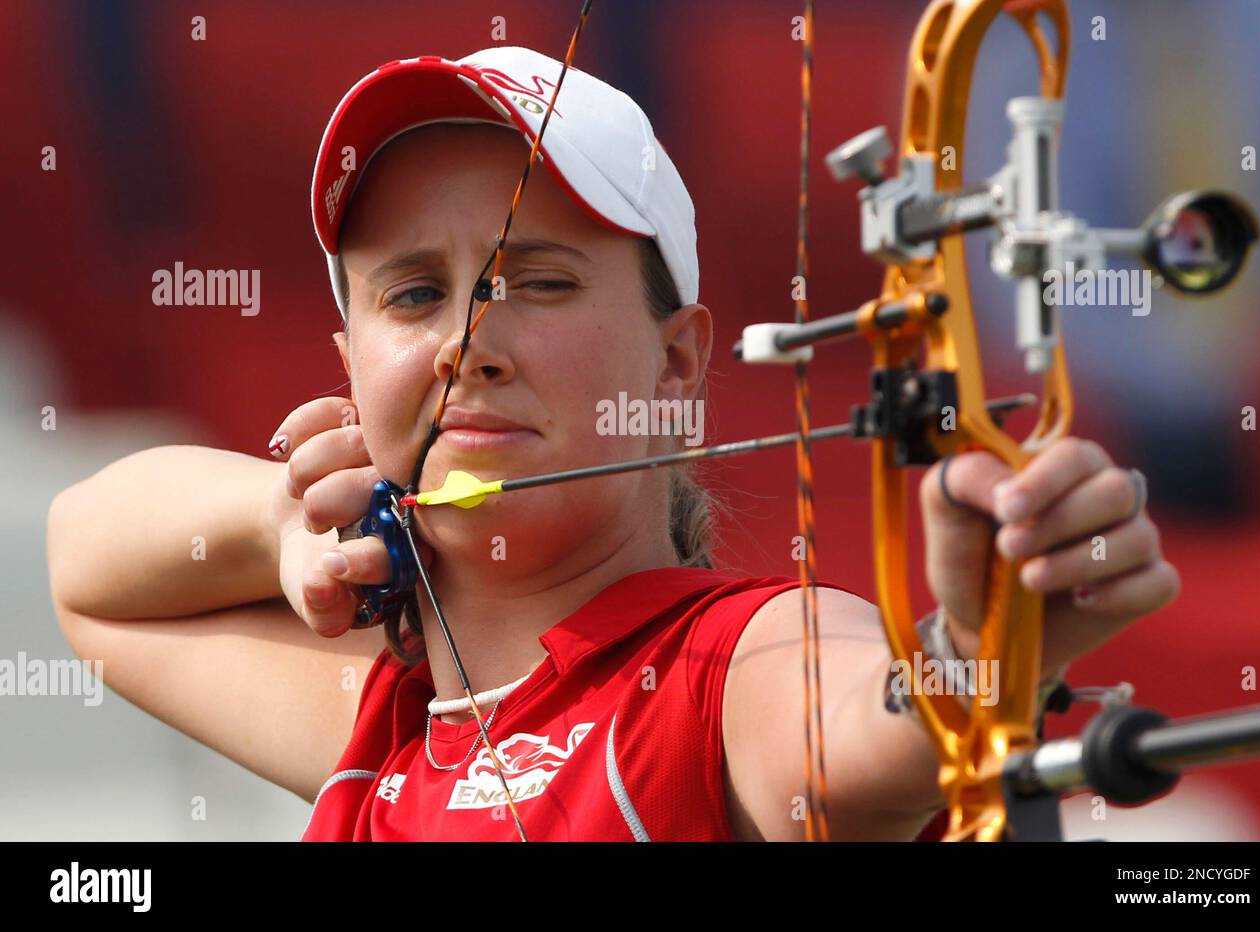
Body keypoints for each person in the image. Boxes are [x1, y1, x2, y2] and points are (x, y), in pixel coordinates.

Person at [46, 47, 1177, 841]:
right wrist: (288, 522)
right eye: (410, 294)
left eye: (535, 280)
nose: (464, 343)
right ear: (348, 365)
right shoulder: (392, 723)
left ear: (678, 364)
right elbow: (85, 569)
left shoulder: (730, 668)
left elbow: (873, 732)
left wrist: (981, 641)